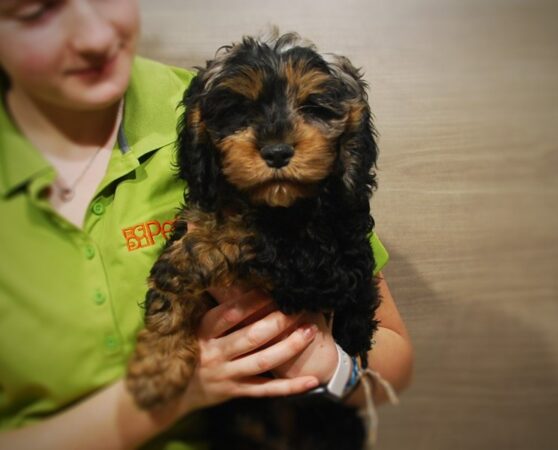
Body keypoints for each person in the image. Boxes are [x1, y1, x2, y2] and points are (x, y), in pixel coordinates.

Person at [0, 0, 414, 449]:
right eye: (33, 11)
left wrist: (332, 367)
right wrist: (175, 398)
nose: (95, 37)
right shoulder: (215, 108)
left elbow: (391, 355)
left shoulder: (205, 96)